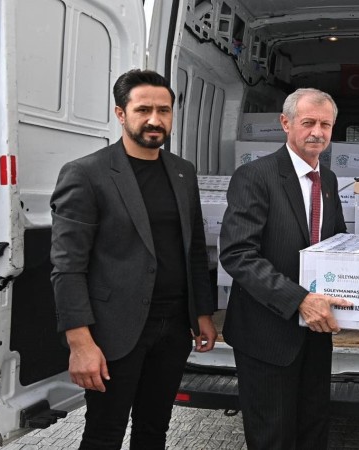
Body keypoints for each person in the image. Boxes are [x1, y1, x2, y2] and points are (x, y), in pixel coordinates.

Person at [50, 69, 217, 449]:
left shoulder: (182, 171)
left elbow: (193, 248)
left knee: (154, 430)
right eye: (143, 110)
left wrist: (202, 313)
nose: (155, 120)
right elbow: (67, 266)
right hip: (114, 330)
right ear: (121, 113)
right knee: (103, 435)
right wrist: (80, 343)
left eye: (164, 110)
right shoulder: (86, 174)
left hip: (173, 327)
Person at [219, 88, 352, 449]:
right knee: (272, 436)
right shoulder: (255, 176)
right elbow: (237, 254)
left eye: (325, 125)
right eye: (308, 122)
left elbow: (337, 244)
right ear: (285, 123)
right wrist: (300, 300)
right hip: (267, 334)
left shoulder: (329, 179)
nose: (317, 132)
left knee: (313, 427)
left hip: (315, 332)